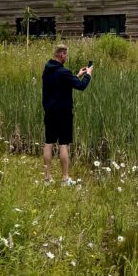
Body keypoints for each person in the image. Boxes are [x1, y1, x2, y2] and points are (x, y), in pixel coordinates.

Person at [42, 44, 92, 186]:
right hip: (63, 113)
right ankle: (65, 178)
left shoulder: (47, 70)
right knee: (63, 144)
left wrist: (77, 75)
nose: (67, 57)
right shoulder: (63, 72)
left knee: (48, 143)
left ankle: (47, 178)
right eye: (66, 55)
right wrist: (88, 74)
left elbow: (62, 83)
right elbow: (81, 86)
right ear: (62, 54)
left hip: (49, 112)